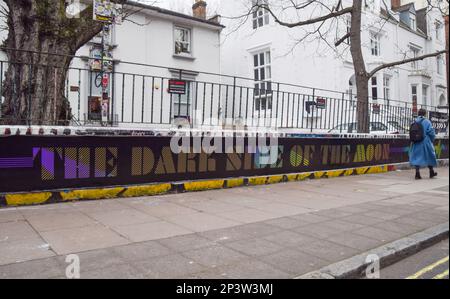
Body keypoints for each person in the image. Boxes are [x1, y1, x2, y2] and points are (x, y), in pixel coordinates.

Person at [409, 109, 438, 180]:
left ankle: (417, 173)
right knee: (430, 155)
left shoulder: (415, 121)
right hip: (425, 141)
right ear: (425, 114)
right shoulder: (427, 121)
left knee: (417, 157)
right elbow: (431, 132)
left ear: (418, 114)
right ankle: (431, 172)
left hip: (416, 141)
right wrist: (431, 140)